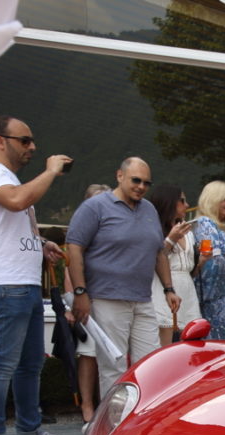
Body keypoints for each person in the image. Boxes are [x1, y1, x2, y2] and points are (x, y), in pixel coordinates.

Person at [0, 115, 74, 435]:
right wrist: (51, 171)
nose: (33, 147)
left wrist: (41, 245)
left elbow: (14, 223)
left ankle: (29, 431)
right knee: (1, 364)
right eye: (25, 140)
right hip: (4, 282)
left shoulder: (7, 177)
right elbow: (16, 201)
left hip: (24, 282)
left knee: (30, 362)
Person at [67, 156, 182, 397]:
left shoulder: (149, 209)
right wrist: (80, 292)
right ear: (119, 176)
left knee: (149, 366)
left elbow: (158, 251)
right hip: (107, 297)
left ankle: (140, 425)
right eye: (136, 180)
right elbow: (74, 247)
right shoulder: (95, 207)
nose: (141, 186)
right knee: (114, 367)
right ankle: (113, 427)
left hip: (142, 298)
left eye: (146, 183)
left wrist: (168, 288)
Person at [61, 183, 108, 423]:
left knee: (110, 354)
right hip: (85, 298)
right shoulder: (80, 229)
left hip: (109, 296)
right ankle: (87, 406)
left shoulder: (111, 227)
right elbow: (70, 267)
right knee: (89, 353)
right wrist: (72, 303)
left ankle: (106, 406)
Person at [150, 184, 203, 346]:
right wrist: (170, 239)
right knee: (163, 348)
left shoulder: (187, 231)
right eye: (182, 200)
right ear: (169, 202)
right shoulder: (154, 229)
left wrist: (202, 261)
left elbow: (190, 271)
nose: (186, 205)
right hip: (162, 289)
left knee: (190, 345)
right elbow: (152, 260)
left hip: (187, 290)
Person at [192, 180, 225, 340]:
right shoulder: (204, 223)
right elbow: (215, 257)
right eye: (224, 199)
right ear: (212, 200)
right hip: (213, 301)